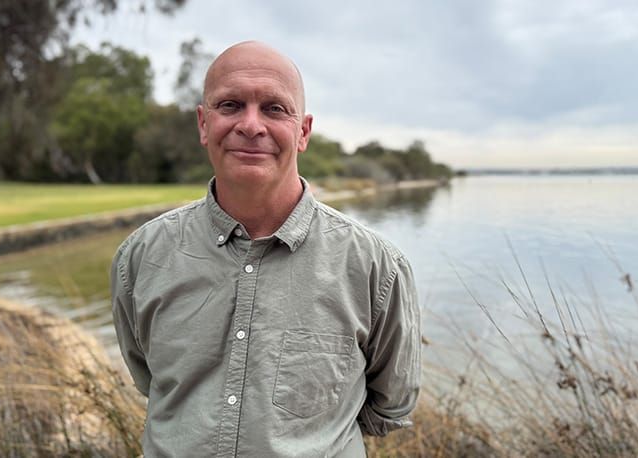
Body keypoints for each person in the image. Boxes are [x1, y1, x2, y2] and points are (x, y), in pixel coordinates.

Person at [110, 41, 421, 457]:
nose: (251, 125)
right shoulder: (140, 258)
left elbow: (390, 405)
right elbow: (152, 382)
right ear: (204, 124)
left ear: (303, 131)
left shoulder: (376, 269)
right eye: (231, 105)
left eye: (274, 108)